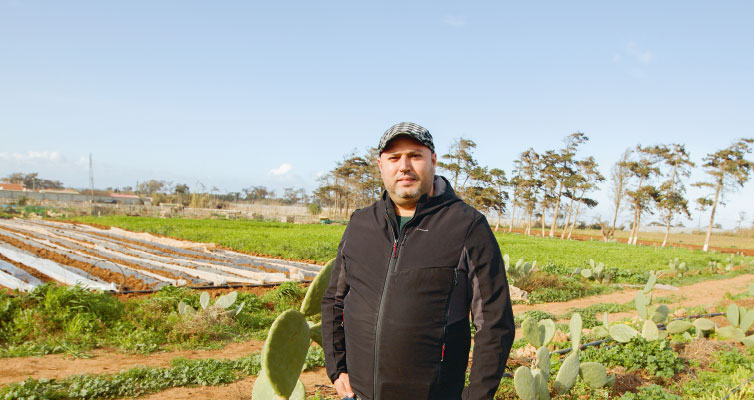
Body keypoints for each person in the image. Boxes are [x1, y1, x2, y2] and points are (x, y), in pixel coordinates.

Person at [322, 122, 515, 400]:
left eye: (414, 155)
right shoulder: (360, 224)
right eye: (394, 158)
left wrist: (477, 396)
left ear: (432, 161)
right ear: (380, 165)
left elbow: (494, 323)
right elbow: (334, 300)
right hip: (359, 394)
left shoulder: (467, 226)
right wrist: (337, 367)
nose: (404, 166)